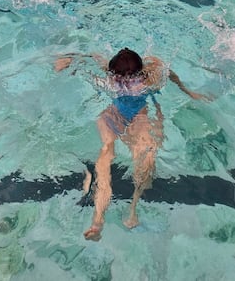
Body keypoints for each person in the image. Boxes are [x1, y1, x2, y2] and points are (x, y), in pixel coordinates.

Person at [55, 48, 208, 241]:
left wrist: (70, 62)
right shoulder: (147, 78)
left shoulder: (114, 80)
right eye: (122, 78)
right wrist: (187, 91)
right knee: (134, 158)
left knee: (120, 158)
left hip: (121, 116)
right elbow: (167, 72)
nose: (126, 81)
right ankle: (119, 213)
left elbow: (90, 61)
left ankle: (108, 217)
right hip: (129, 116)